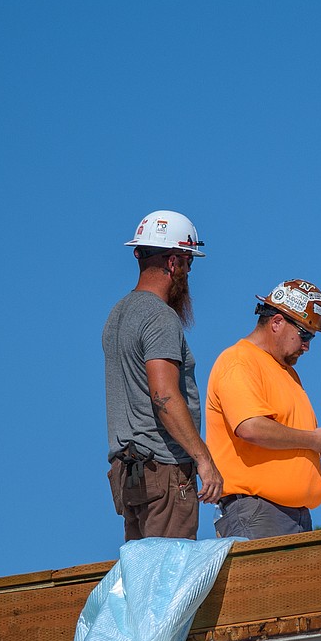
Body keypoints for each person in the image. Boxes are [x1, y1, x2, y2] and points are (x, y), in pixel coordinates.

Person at [205, 279, 321, 538]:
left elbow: (283, 445)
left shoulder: (286, 372)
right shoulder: (239, 361)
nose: (307, 346)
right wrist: (314, 439)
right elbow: (251, 427)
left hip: (292, 515)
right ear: (277, 322)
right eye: (305, 334)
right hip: (258, 512)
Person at [104, 210, 223, 540]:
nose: (188, 272)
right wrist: (204, 460)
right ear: (174, 262)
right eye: (189, 263)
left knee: (142, 578)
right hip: (164, 471)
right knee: (169, 579)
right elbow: (164, 396)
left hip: (130, 476)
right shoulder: (159, 317)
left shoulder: (118, 315)